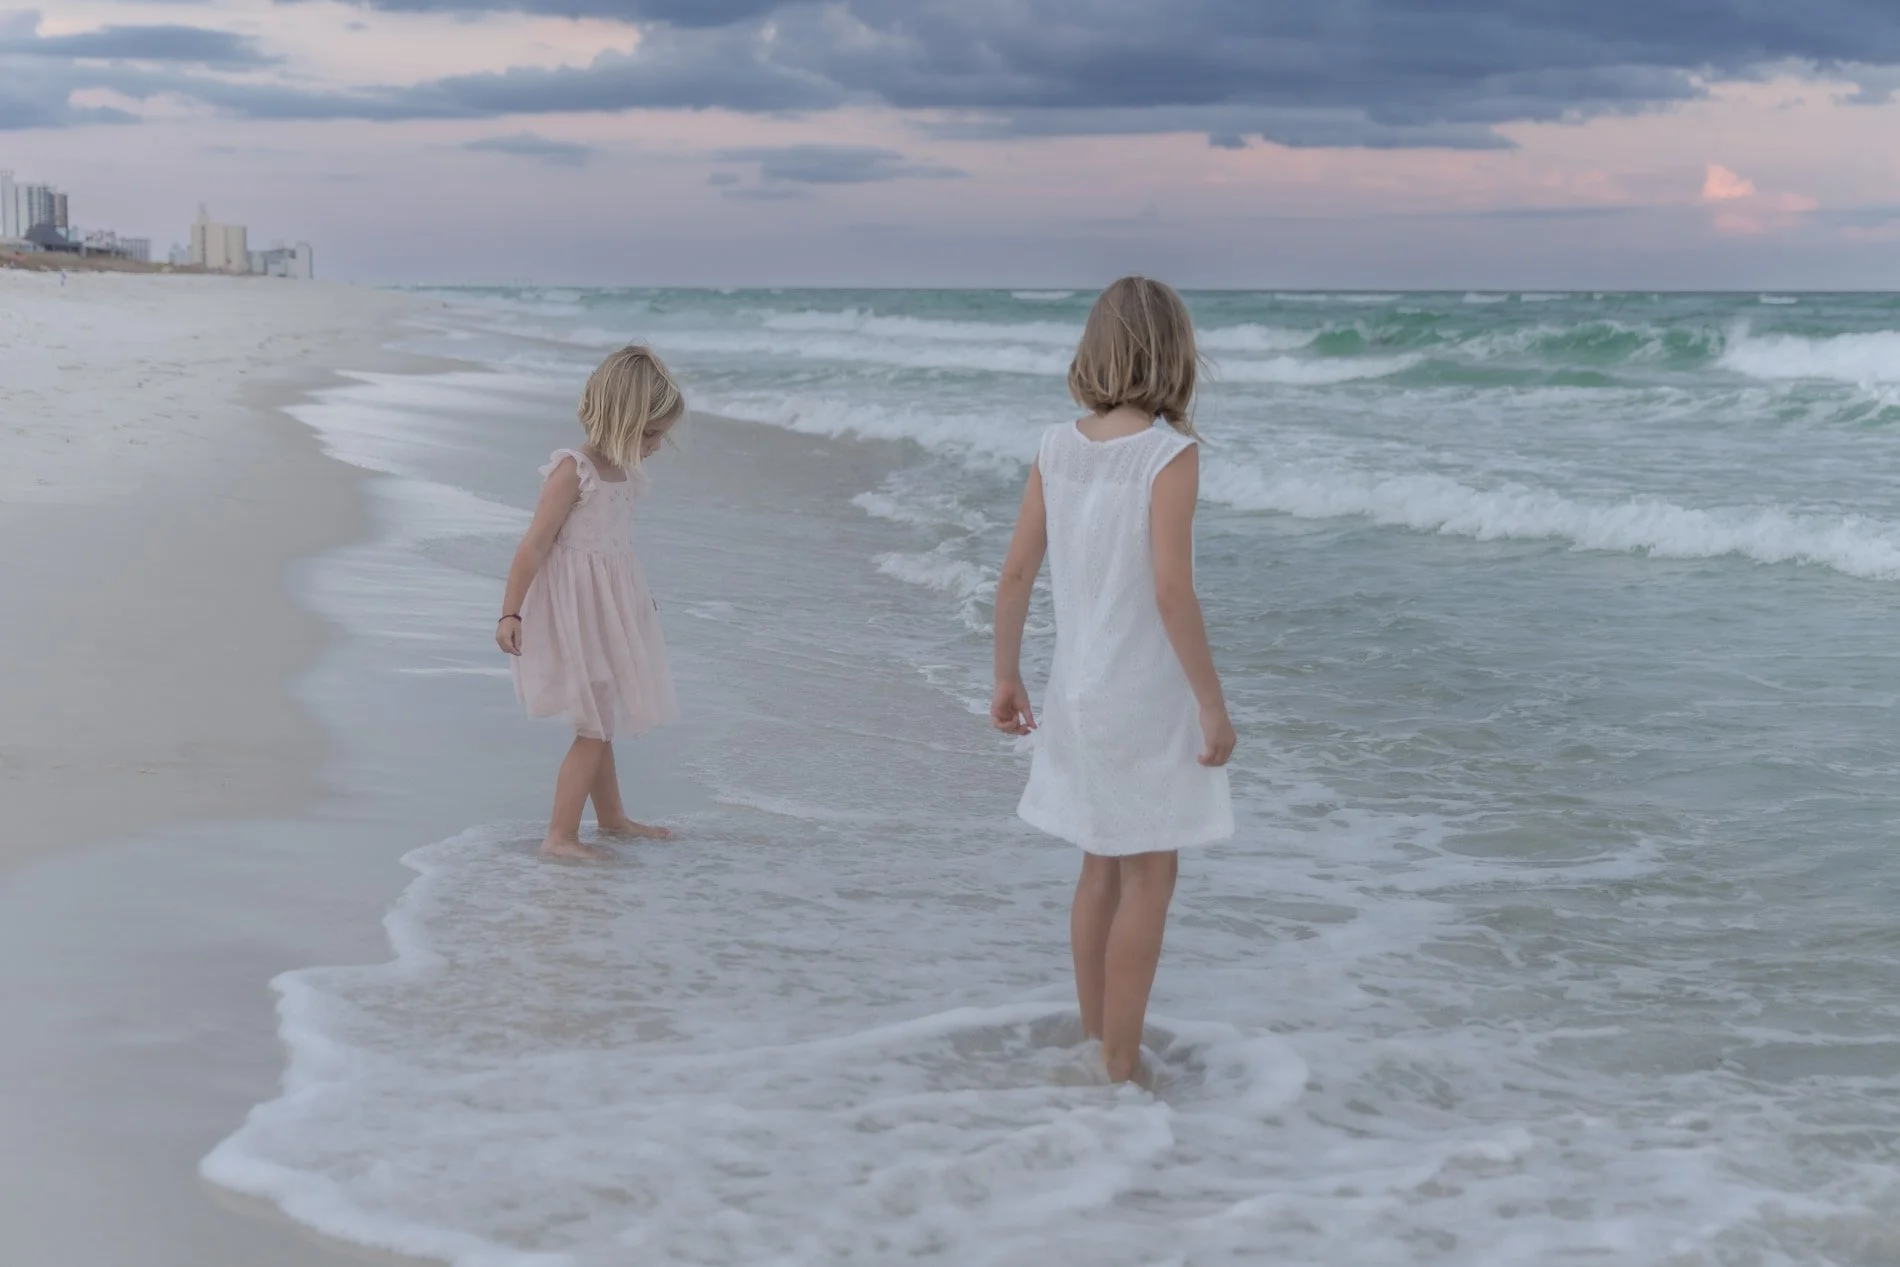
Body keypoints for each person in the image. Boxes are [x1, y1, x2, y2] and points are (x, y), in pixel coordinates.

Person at [991, 276, 1237, 1083]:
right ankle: (1123, 1065)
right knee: (1151, 871)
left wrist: (1006, 675)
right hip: (1141, 692)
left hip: (1075, 687)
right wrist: (1212, 702)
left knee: (1099, 862)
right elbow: (1171, 590)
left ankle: (1099, 1040)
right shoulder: (1169, 455)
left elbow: (1017, 571)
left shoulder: (1056, 446)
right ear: (1174, 356)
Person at [497, 345, 683, 860]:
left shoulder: (625, 475)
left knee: (600, 719)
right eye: (651, 433)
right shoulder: (572, 471)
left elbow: (614, 549)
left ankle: (613, 819)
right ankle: (559, 836)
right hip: (573, 613)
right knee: (592, 727)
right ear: (621, 421)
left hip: (610, 609)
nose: (658, 445)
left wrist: (638, 600)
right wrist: (510, 611)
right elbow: (534, 544)